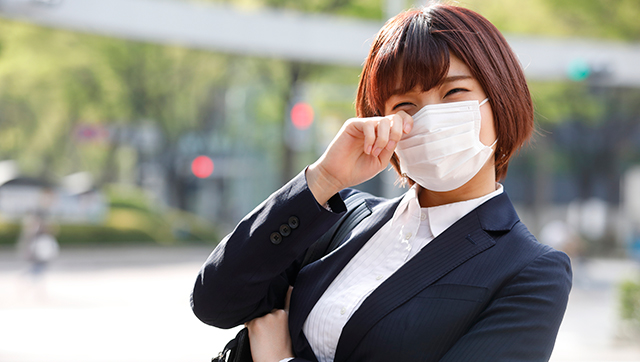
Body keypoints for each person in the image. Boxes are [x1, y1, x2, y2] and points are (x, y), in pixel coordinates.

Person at [191, 4, 572, 362]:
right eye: (405, 105)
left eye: (454, 92)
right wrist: (324, 178)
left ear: (500, 99)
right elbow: (216, 300)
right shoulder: (342, 219)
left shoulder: (532, 271)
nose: (430, 117)